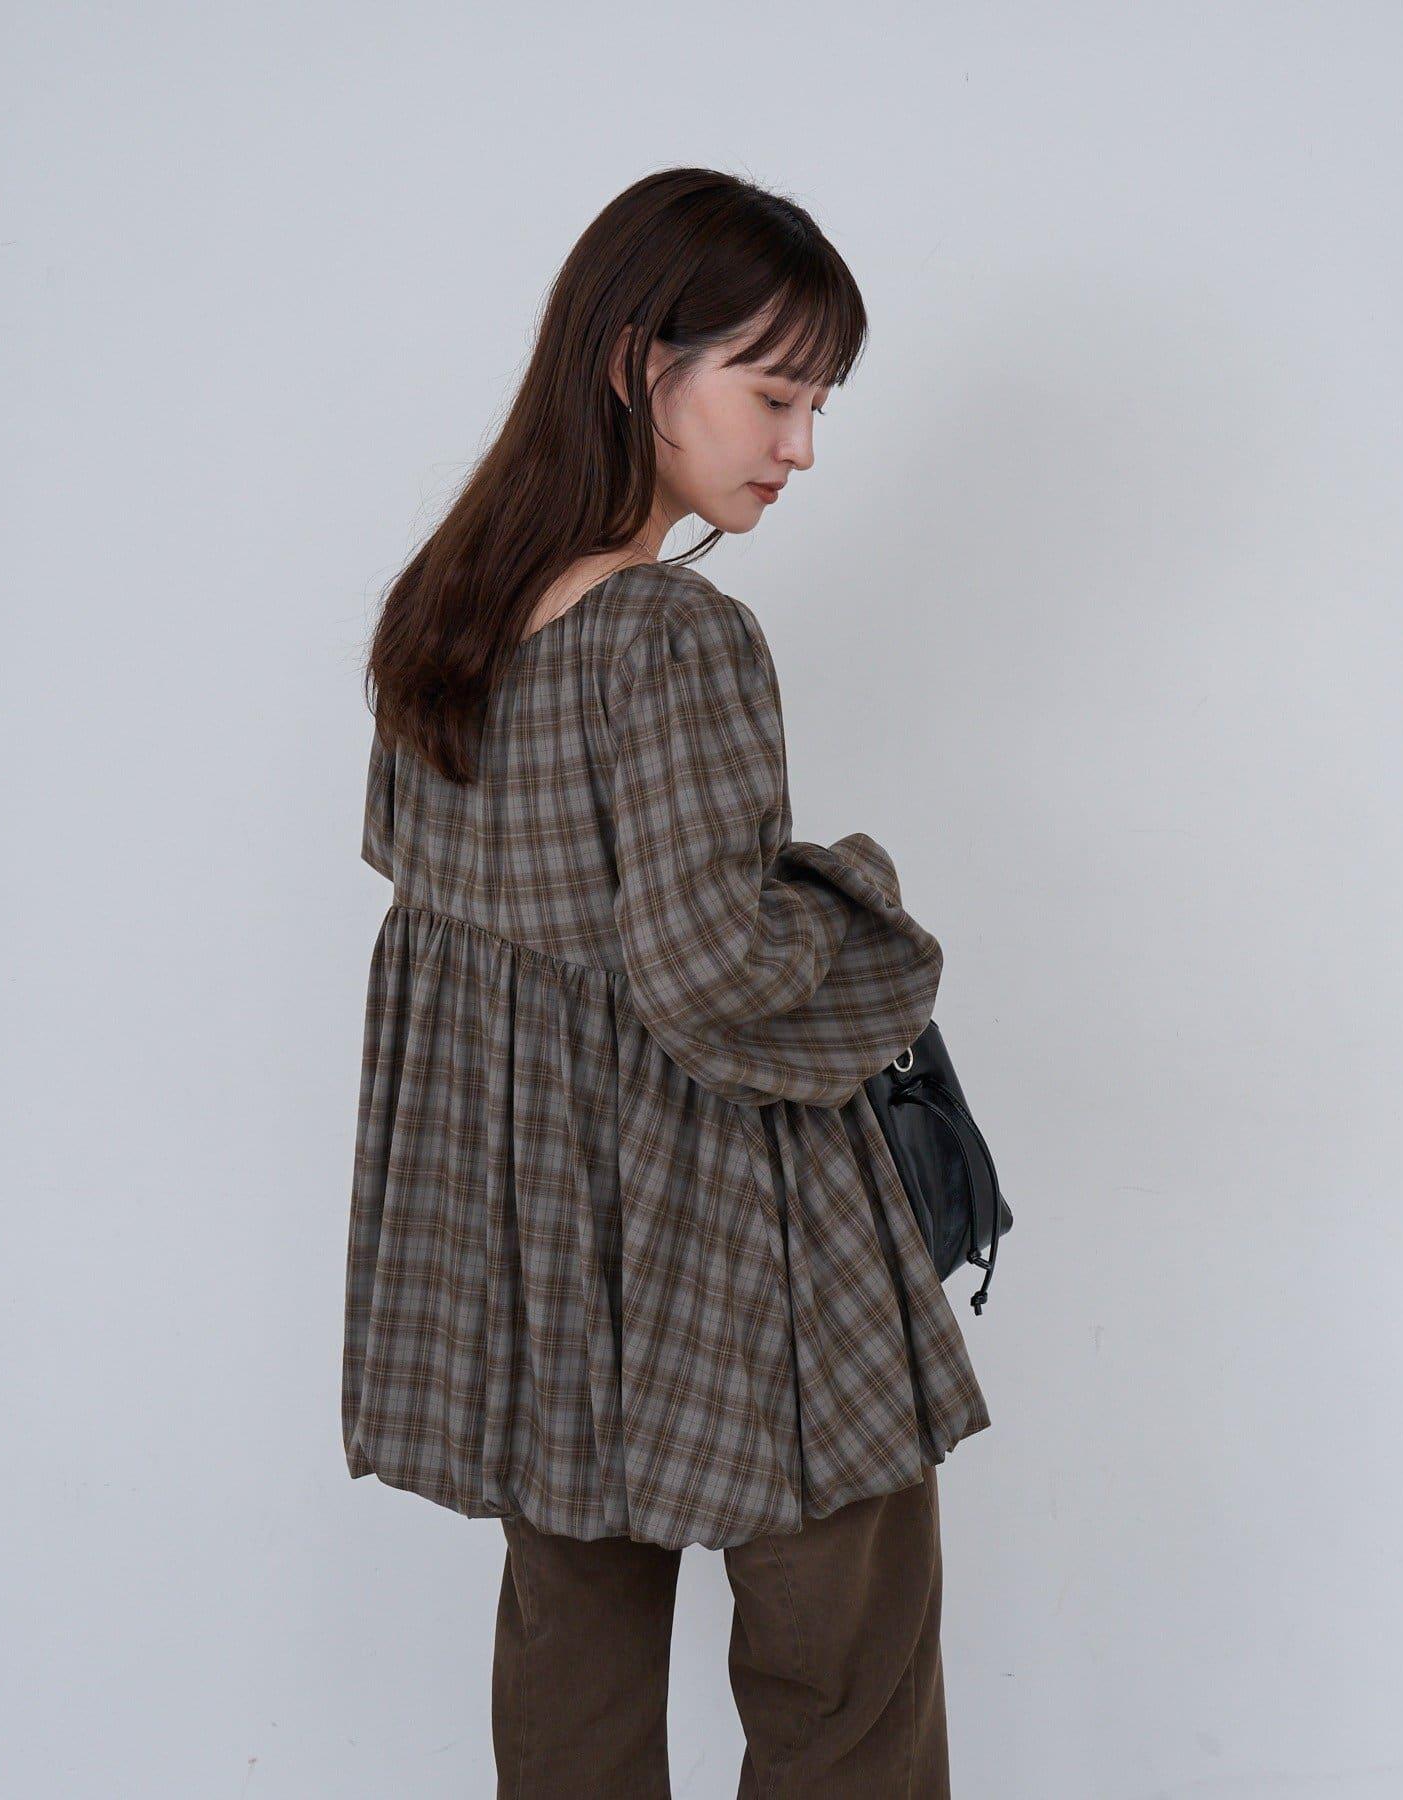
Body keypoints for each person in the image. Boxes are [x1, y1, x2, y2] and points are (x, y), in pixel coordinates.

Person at [343, 166, 992, 1797]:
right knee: (844, 1669)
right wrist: (857, 903)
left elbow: (428, 901)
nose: (802, 446)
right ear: (642, 364)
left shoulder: (450, 610)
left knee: (573, 1644)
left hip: (536, 1226)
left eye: (819, 404)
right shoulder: (673, 636)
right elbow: (710, 972)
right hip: (738, 1226)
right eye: (774, 395)